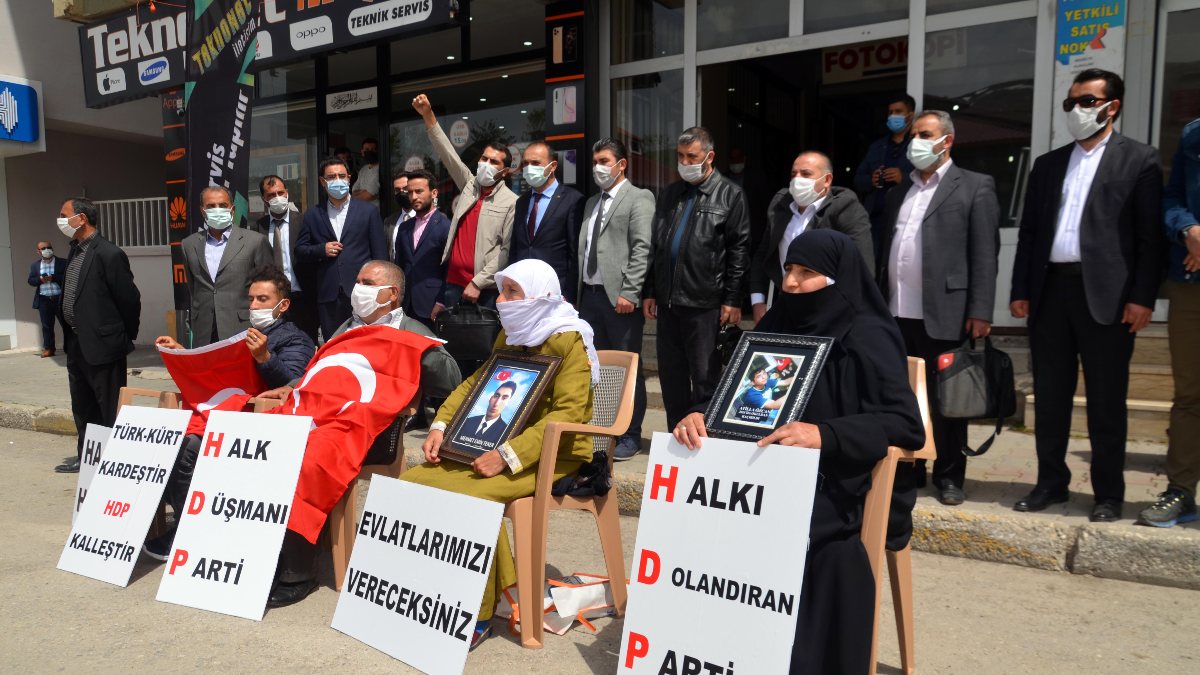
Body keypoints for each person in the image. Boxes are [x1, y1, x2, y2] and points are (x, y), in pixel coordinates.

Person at [674, 230, 924, 674]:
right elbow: (731, 393)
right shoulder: (778, 322)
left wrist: (825, 434)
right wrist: (698, 414)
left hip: (835, 478)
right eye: (789, 268)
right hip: (762, 471)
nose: (790, 282)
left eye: (807, 272)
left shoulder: (868, 333)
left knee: (810, 540)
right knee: (697, 517)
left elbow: (905, 424)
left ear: (837, 279)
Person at [403, 258, 597, 649]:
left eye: (513, 292)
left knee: (470, 497)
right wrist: (441, 425)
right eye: (502, 291)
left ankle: (478, 611)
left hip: (553, 451)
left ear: (541, 295)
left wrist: (508, 455)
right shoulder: (510, 334)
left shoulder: (568, 339)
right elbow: (477, 384)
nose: (502, 301)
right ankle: (432, 590)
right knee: (414, 480)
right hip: (494, 443)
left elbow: (568, 414)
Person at [1010, 69, 1165, 523]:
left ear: (1111, 107)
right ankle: (1050, 482)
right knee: (1050, 396)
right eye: (1071, 102)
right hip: (1050, 293)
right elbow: (1029, 233)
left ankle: (1108, 494)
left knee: (1106, 401)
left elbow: (1149, 237)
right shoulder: (1048, 164)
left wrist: (1143, 297)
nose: (1076, 110)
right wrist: (1021, 289)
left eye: (1086, 101)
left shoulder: (1139, 159)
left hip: (1109, 298)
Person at [261, 260, 461, 607]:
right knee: (265, 442)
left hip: (373, 428)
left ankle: (298, 572)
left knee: (311, 453)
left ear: (391, 293)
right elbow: (323, 369)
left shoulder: (412, 329)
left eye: (367, 283)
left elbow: (451, 380)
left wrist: (413, 347)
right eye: (358, 281)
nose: (358, 288)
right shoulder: (348, 326)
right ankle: (265, 548)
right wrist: (293, 386)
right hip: (324, 415)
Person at [144, 265, 317, 560]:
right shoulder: (243, 335)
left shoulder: (296, 339)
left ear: (283, 305)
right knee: (167, 441)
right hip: (228, 415)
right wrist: (181, 352)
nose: (254, 306)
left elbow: (293, 385)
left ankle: (190, 531)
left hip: (260, 424)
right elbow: (213, 370)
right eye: (251, 299)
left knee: (187, 449)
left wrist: (265, 358)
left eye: (262, 299)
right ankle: (188, 521)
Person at [877, 110, 1000, 505]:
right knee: (904, 397)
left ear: (947, 140)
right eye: (914, 134)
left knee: (948, 400)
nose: (916, 141)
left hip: (947, 312)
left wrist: (980, 310)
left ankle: (949, 475)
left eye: (924, 134)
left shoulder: (974, 186)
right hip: (897, 312)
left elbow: (985, 254)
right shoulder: (900, 191)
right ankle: (911, 468)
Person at [643, 127, 750, 429]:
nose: (685, 162)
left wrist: (732, 299)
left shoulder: (730, 194)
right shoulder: (670, 193)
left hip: (705, 302)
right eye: (680, 156)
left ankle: (705, 439)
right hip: (668, 302)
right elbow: (657, 245)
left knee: (705, 377)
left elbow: (739, 250)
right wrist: (650, 290)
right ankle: (675, 435)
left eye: (692, 156)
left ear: (709, 156)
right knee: (671, 377)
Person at [577, 137, 655, 460]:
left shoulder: (639, 198)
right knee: (597, 367)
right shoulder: (591, 204)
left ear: (621, 164)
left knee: (627, 368)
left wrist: (631, 291)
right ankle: (603, 429)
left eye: (604, 161)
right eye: (595, 161)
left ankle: (630, 434)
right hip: (589, 296)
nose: (598, 167)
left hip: (620, 299)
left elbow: (642, 247)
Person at [53, 197, 141, 473]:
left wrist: (123, 338)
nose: (60, 220)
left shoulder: (109, 253)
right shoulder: (75, 250)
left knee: (109, 407)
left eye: (64, 215)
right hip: (77, 342)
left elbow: (129, 300)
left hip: (104, 345)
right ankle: (88, 457)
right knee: (82, 404)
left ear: (81, 218)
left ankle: (114, 461)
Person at [1144, 116, 1200, 527]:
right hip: (1191, 282)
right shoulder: (1193, 134)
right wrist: (1188, 230)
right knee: (1190, 395)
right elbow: (1172, 199)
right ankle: (1181, 490)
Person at [412, 93, 517, 312]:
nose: (486, 164)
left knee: (486, 335)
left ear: (505, 171)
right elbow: (447, 154)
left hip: (486, 290)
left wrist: (478, 282)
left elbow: (506, 251)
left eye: (494, 162)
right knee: (454, 334)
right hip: (453, 284)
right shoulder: (469, 185)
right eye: (484, 158)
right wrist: (428, 115)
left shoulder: (511, 202)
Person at [750, 150, 874, 323]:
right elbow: (763, 253)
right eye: (794, 174)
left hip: (829, 307)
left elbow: (861, 264)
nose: (797, 179)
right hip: (785, 303)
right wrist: (757, 301)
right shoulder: (780, 204)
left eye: (806, 174)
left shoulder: (845, 207)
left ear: (827, 180)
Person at [296, 156, 388, 340]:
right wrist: (321, 250)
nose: (337, 180)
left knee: (365, 343)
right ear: (322, 182)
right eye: (331, 177)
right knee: (334, 344)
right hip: (329, 295)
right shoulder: (313, 214)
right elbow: (300, 250)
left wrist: (380, 289)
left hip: (363, 292)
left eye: (341, 176)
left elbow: (380, 255)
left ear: (349, 178)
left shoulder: (368, 211)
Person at [181, 186, 272, 347]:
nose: (217, 210)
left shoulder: (255, 241)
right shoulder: (189, 244)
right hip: (203, 329)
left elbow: (269, 286)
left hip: (242, 328)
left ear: (232, 209)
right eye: (211, 206)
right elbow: (193, 287)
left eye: (223, 205)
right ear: (202, 211)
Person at [510, 141, 585, 301]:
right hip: (522, 291)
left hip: (555, 292)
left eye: (535, 163)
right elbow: (515, 247)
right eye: (525, 163)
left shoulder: (572, 200)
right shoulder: (522, 201)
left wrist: (569, 295)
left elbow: (575, 254)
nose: (529, 168)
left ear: (553, 166)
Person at [248, 175, 319, 343]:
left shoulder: (303, 221)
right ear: (264, 199)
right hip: (273, 302)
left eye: (280, 193)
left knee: (306, 343)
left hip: (303, 298)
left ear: (287, 193)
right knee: (274, 344)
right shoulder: (258, 227)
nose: (277, 197)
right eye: (271, 195)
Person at [854, 94, 917, 262]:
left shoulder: (918, 145)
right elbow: (858, 180)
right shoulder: (877, 146)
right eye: (890, 112)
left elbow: (930, 180)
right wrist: (872, 180)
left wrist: (903, 178)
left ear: (910, 115)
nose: (893, 116)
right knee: (871, 266)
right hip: (875, 221)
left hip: (906, 220)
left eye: (898, 111)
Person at [394, 170, 450, 331]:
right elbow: (399, 267)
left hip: (432, 305)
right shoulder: (404, 227)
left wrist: (441, 302)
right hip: (406, 306)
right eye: (410, 192)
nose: (413, 197)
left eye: (419, 191)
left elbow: (450, 270)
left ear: (434, 193)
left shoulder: (446, 227)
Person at [28, 240, 66, 358]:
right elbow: (30, 281)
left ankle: (70, 347)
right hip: (44, 300)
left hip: (60, 299)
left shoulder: (62, 262)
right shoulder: (35, 265)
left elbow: (67, 278)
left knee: (66, 325)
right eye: (43, 248)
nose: (47, 250)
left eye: (48, 247)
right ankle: (49, 349)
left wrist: (53, 278)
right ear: (38, 251)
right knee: (47, 326)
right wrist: (40, 280)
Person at [459, 380, 517, 448]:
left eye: (504, 398)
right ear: (491, 398)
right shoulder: (468, 421)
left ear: (508, 403)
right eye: (496, 396)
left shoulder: (506, 432)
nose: (496, 403)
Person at [383, 172, 415, 261]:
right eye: (397, 190)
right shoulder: (389, 222)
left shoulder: (425, 218)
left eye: (405, 188)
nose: (402, 192)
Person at [352, 137, 381, 206]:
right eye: (367, 149)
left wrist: (363, 193)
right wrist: (365, 192)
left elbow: (369, 196)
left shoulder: (381, 169)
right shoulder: (363, 169)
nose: (370, 152)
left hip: (375, 210)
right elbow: (354, 190)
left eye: (373, 149)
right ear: (362, 152)